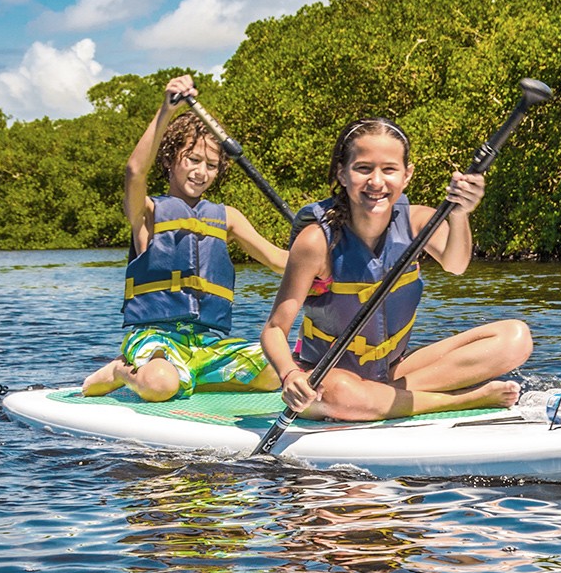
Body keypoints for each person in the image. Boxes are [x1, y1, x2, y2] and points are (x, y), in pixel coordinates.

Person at [261, 116, 532, 421]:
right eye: (363, 168)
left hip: (392, 371)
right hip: (327, 378)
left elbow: (456, 264)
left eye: (389, 169)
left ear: (407, 175)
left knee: (515, 337)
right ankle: (464, 399)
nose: (377, 182)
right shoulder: (316, 242)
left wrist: (460, 214)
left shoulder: (417, 221)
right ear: (342, 173)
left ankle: (385, 398)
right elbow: (274, 329)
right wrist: (289, 377)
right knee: (341, 395)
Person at [83, 75, 288, 400]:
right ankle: (122, 370)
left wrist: (329, 252)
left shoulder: (228, 218)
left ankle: (189, 378)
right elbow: (134, 172)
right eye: (192, 160)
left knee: (278, 369)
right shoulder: (147, 212)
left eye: (211, 164)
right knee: (162, 384)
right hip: (155, 337)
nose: (201, 172)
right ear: (169, 159)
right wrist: (166, 111)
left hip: (206, 342)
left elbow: (280, 262)